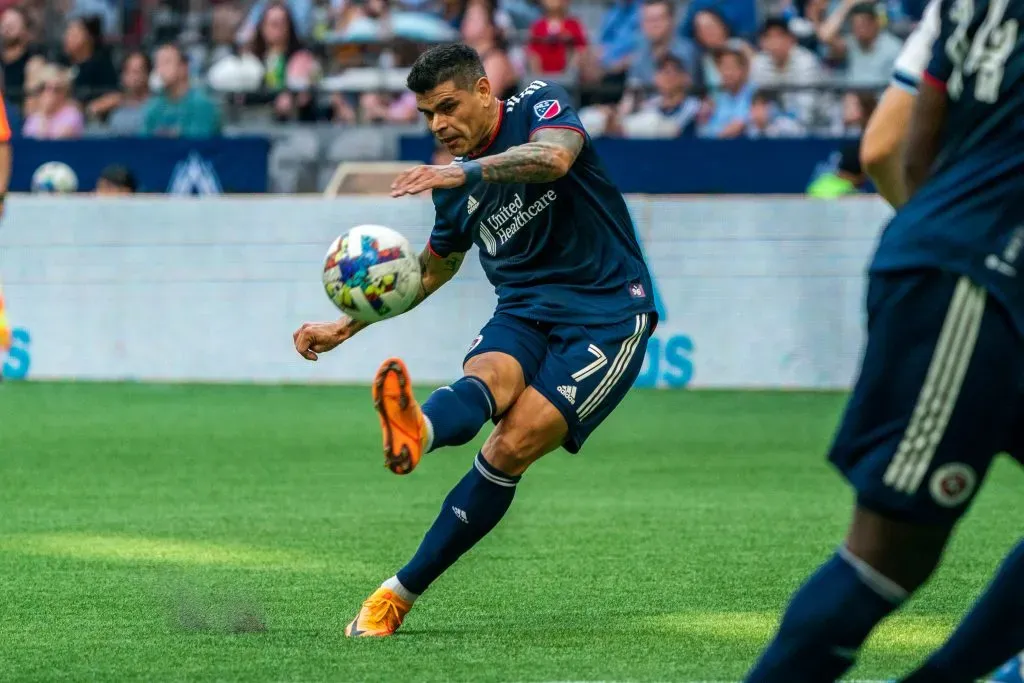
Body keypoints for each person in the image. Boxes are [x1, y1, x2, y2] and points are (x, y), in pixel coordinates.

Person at [293, 43, 656, 638]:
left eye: (448, 106)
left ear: (484, 91)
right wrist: (345, 324)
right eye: (427, 114)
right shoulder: (453, 190)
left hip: (607, 314)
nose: (438, 124)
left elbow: (555, 158)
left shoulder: (537, 104)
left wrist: (463, 171)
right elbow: (427, 272)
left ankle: (397, 594)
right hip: (523, 310)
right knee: (486, 379)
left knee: (508, 447)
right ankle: (418, 430)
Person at [744, 0, 1024, 678]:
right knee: (889, 555)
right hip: (973, 281)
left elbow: (901, 143)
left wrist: (938, 231)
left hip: (952, 258)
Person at [142, 44, 221, 138]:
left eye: (166, 62)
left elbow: (198, 142)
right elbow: (143, 140)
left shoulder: (202, 104)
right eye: (158, 64)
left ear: (183, 67)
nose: (160, 69)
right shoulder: (154, 105)